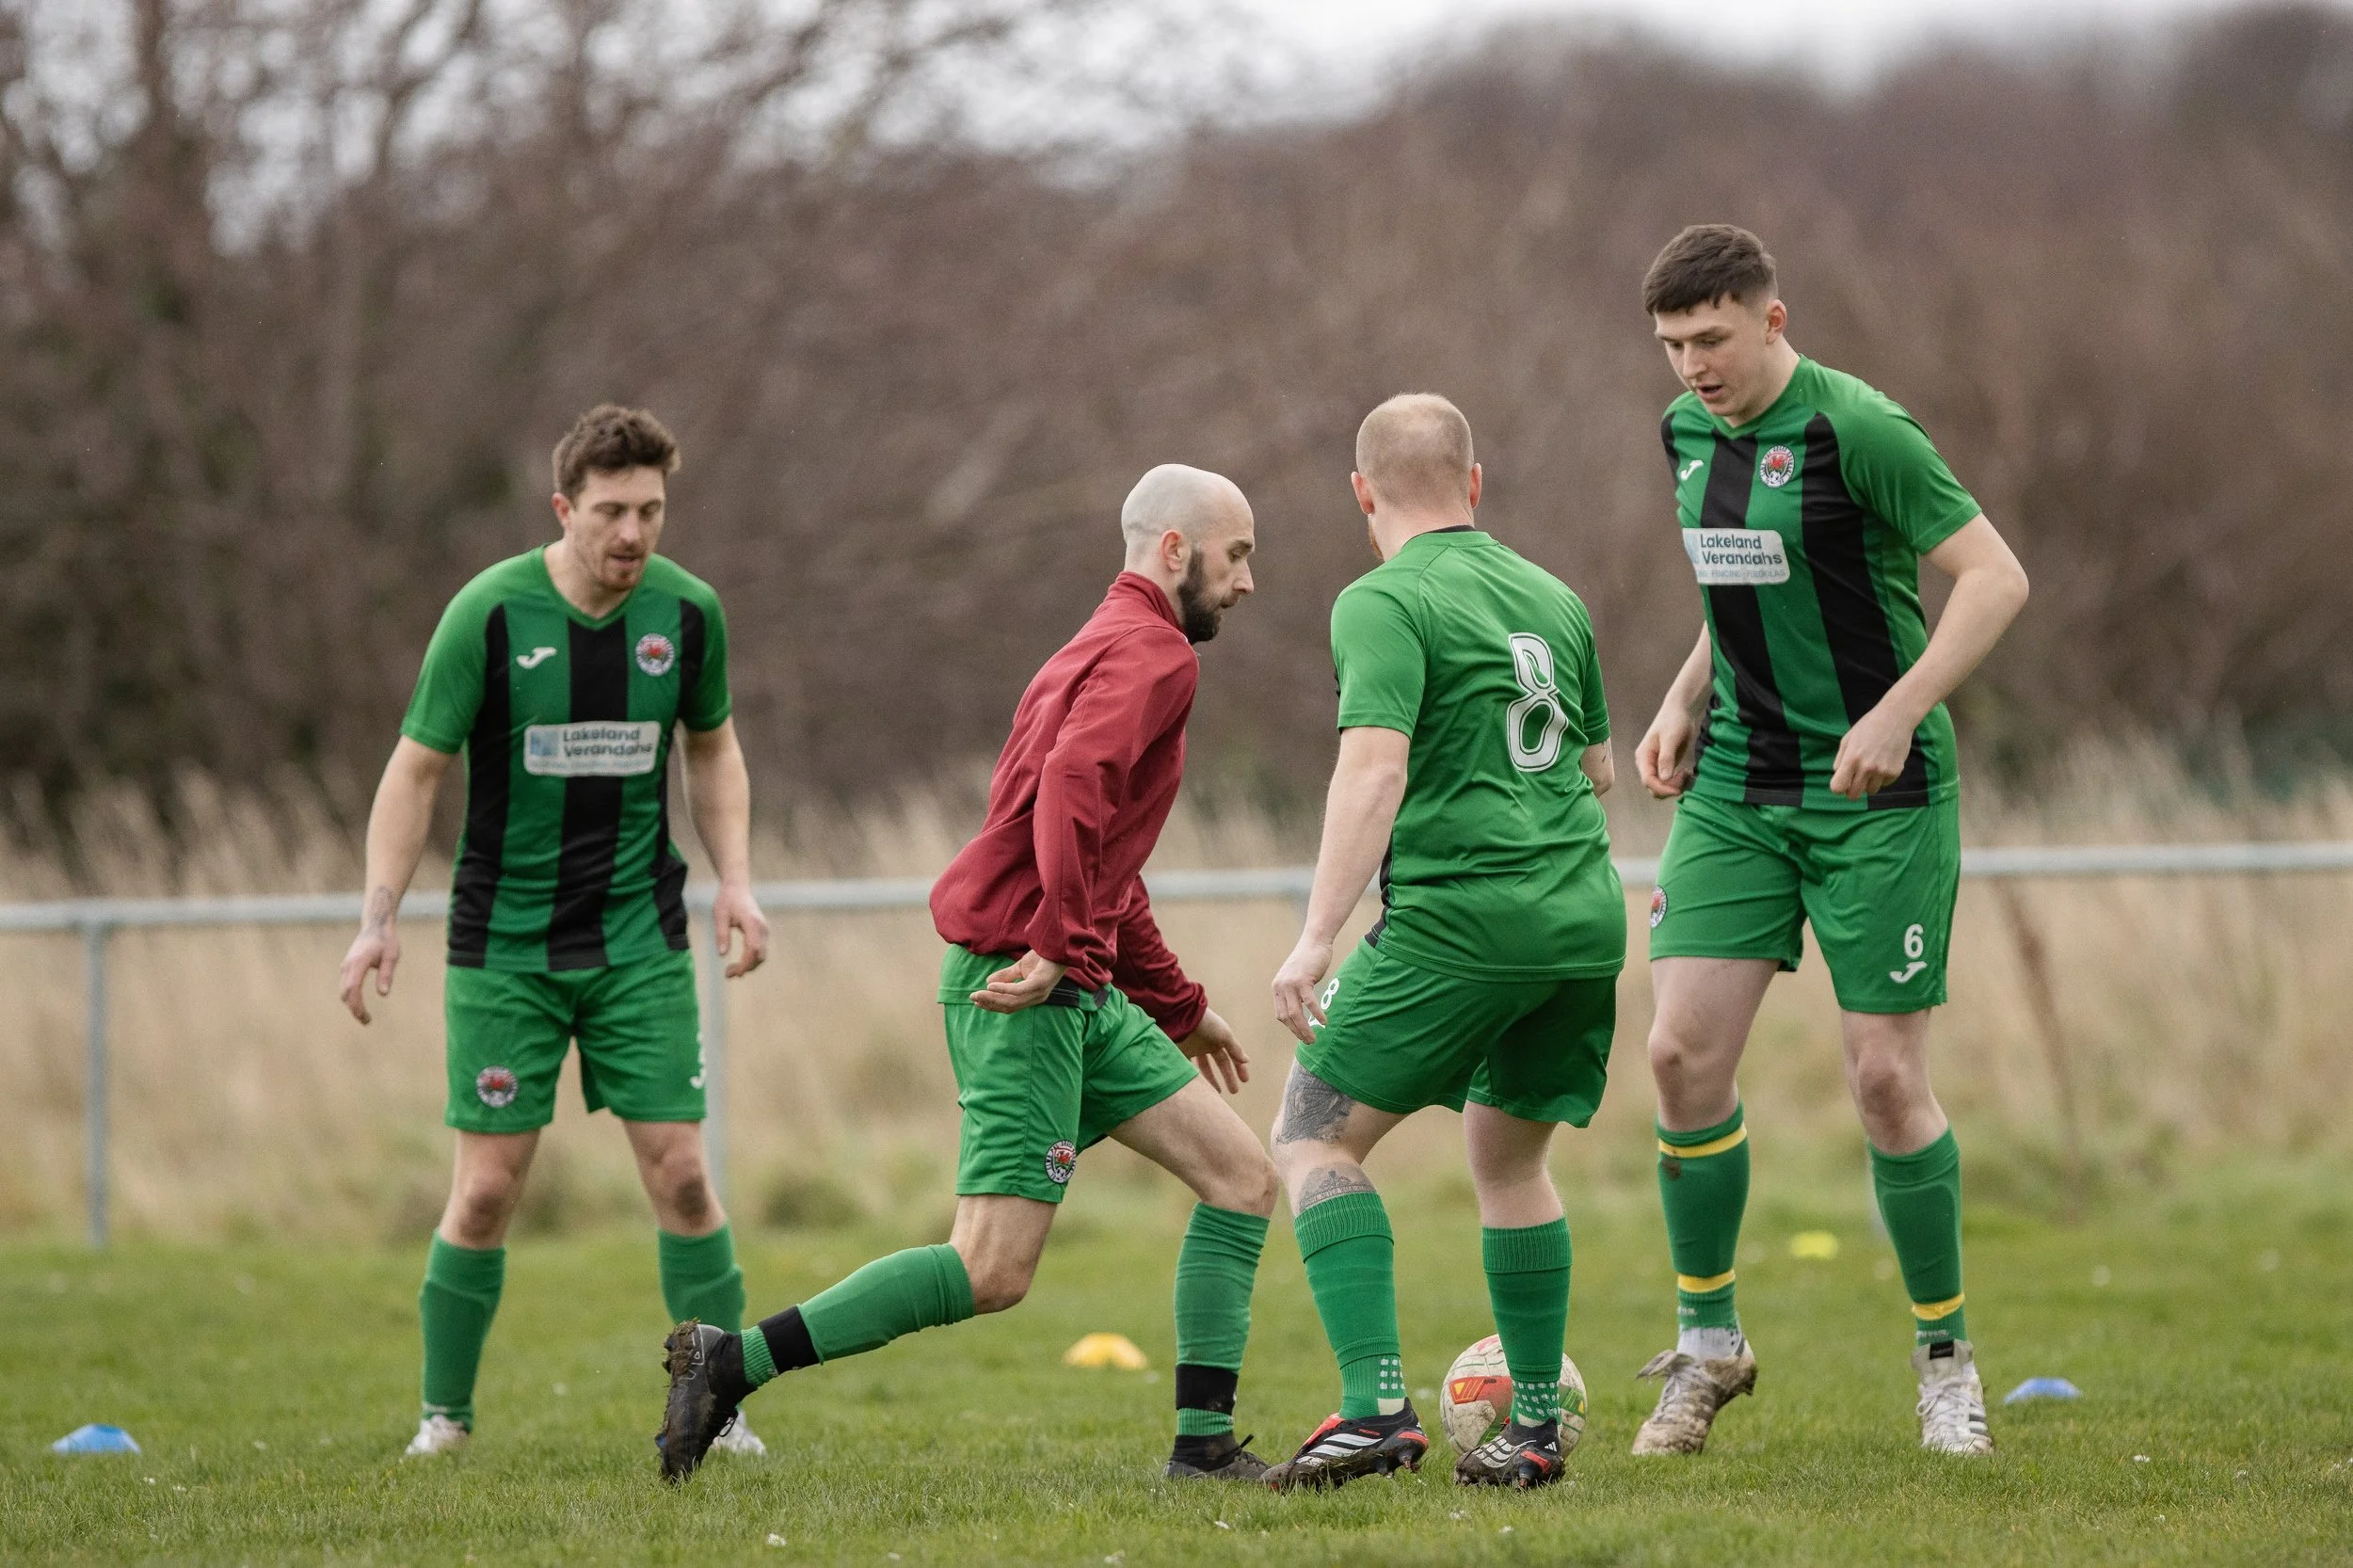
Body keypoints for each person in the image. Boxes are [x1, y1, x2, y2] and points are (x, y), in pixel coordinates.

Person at [653, 465, 1280, 1485]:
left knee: (1242, 1179)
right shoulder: (1159, 653)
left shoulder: (1091, 646)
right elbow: (1075, 791)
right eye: (1238, 554)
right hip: (1023, 985)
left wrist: (1182, 1007)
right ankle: (730, 1361)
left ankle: (1203, 1450)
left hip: (1070, 985)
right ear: (1175, 550)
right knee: (989, 1270)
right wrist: (1060, 946)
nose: (1249, 581)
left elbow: (1106, 863)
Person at [1632, 225, 2029, 1458]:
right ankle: (1708, 1346)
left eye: (1711, 338)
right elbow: (1737, 580)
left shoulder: (1859, 429)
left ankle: (1945, 1358)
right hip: (1742, 785)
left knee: (1884, 1080)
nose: (1692, 365)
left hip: (1878, 798)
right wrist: (1685, 693)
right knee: (1678, 1056)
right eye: (1671, 345)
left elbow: (1996, 577)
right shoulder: (1685, 431)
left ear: (1772, 319)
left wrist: (1900, 710)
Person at [338, 405, 772, 1460]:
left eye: (652, 511)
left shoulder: (689, 613)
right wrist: (377, 917)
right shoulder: (488, 614)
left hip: (638, 940)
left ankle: (721, 1410)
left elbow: (711, 752)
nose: (634, 533)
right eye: (613, 511)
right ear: (564, 507)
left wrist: (736, 883)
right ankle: (444, 1419)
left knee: (680, 1173)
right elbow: (416, 767)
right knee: (485, 1189)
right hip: (506, 946)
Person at [1263, 394, 1625, 1493]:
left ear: (1362, 493)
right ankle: (1535, 1433)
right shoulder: (1552, 595)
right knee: (1508, 1157)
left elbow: (1373, 769)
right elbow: (1597, 772)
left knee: (1311, 1136)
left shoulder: (1380, 599)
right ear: (1475, 484)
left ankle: (1374, 1406)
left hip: (1465, 916)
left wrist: (1314, 938)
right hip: (1582, 911)